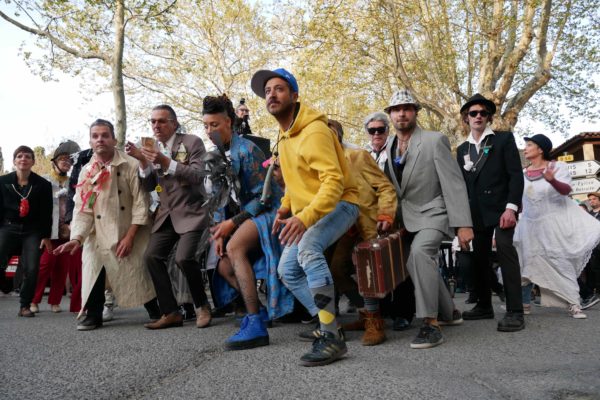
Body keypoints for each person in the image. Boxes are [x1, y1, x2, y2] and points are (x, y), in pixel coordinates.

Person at [251, 68, 359, 366]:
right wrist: (286, 208)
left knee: (309, 251)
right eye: (267, 91)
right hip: (309, 211)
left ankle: (331, 338)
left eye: (279, 89)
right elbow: (295, 184)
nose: (271, 94)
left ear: (295, 96)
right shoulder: (285, 137)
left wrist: (305, 218)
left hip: (342, 204)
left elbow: (334, 183)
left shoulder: (314, 131)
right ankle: (330, 324)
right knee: (288, 271)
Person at [383, 89, 473, 349]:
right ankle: (450, 313)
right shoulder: (389, 146)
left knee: (419, 255)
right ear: (390, 115)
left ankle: (430, 324)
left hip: (434, 212)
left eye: (407, 108)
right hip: (406, 218)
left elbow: (453, 184)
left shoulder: (435, 140)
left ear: (415, 112)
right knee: (417, 265)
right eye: (397, 109)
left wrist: (463, 224)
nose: (402, 113)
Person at [202, 94, 293, 350]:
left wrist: (232, 225)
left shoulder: (247, 149)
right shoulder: (215, 156)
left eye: (215, 125)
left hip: (267, 213)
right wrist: (219, 232)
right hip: (242, 218)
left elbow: (263, 199)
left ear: (229, 122)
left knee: (235, 248)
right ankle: (260, 310)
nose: (210, 131)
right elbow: (220, 199)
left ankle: (255, 325)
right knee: (223, 267)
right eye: (206, 126)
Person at [54, 119, 158, 330]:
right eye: (95, 136)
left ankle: (156, 310)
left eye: (104, 135)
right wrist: (77, 238)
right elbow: (83, 208)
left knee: (137, 269)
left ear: (114, 139)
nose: (100, 139)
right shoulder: (86, 171)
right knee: (93, 267)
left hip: (129, 227)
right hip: (97, 232)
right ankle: (93, 314)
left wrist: (130, 236)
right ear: (91, 142)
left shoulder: (130, 163)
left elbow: (141, 202)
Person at [126, 105, 212, 329]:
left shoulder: (192, 142)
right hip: (166, 215)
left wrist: (165, 161)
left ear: (174, 123)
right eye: (152, 121)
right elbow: (149, 187)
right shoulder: (150, 147)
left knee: (184, 258)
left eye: (162, 121)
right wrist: (142, 162)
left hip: (191, 212)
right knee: (151, 257)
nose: (156, 125)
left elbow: (197, 175)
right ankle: (171, 312)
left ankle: (202, 306)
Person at [456, 93, 525, 331]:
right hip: (476, 213)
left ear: (488, 118)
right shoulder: (461, 148)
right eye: (473, 113)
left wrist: (511, 208)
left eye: (483, 113)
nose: (478, 116)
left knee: (505, 250)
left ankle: (515, 311)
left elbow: (516, 175)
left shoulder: (503, 139)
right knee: (479, 258)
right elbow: (460, 186)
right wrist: (461, 222)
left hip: (502, 208)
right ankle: (484, 305)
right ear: (466, 118)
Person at [326, 119, 397, 346]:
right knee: (336, 270)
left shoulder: (358, 156)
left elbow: (385, 187)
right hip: (345, 229)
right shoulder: (321, 165)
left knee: (369, 270)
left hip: (369, 224)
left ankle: (375, 322)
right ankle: (364, 311)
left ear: (339, 135)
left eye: (331, 133)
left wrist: (386, 215)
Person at [514, 134, 600, 319]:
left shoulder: (557, 167)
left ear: (540, 149)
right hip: (529, 223)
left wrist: (551, 179)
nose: (526, 148)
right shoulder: (522, 173)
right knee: (526, 261)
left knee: (560, 261)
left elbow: (567, 190)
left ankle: (574, 304)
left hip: (553, 223)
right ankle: (524, 303)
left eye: (529, 145)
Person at [0, 146, 53, 317]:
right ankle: (6, 285)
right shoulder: (3, 182)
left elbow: (47, 212)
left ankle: (25, 305)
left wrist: (45, 235)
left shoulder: (43, 185)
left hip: (32, 231)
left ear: (33, 161)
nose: (24, 159)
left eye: (28, 156)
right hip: (8, 226)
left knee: (32, 268)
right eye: (20, 156)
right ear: (14, 160)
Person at [31, 140, 81, 314]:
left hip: (67, 230)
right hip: (49, 230)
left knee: (62, 267)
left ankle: (55, 301)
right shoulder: (44, 180)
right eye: (63, 160)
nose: (66, 163)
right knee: (45, 265)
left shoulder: (73, 182)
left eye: (69, 161)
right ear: (55, 161)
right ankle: (34, 300)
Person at [580, 192, 600, 310]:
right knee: (592, 269)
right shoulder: (589, 215)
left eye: (594, 199)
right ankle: (593, 292)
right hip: (591, 246)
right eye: (590, 200)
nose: (591, 201)